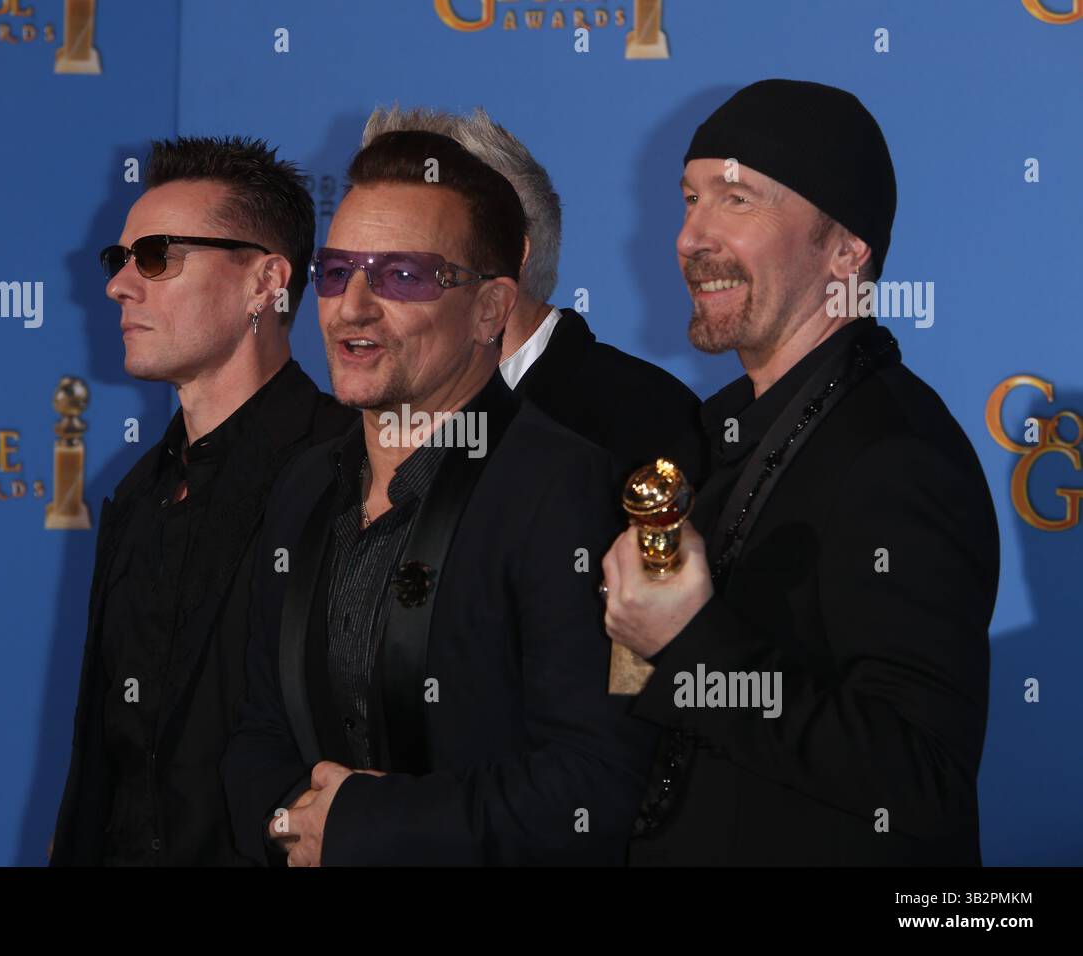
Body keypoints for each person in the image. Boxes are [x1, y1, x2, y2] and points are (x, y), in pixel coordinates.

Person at [221, 130, 655, 866]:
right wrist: (293, 827)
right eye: (336, 272)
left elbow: (595, 783)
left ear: (490, 310)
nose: (351, 308)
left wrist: (361, 825)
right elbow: (255, 732)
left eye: (403, 276)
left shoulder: (562, 488)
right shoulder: (303, 487)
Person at [601, 79, 999, 865]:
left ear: (845, 252)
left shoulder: (897, 455)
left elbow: (922, 778)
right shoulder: (713, 434)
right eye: (688, 199)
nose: (689, 236)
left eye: (736, 199)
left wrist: (691, 644)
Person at [51, 136, 355, 866]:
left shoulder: (351, 470)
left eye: (155, 256)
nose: (121, 285)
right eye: (118, 261)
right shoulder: (135, 492)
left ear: (265, 281)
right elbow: (106, 759)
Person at [361, 106, 706, 481]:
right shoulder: (354, 441)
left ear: (509, 255)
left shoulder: (645, 421)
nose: (360, 298)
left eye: (407, 264)